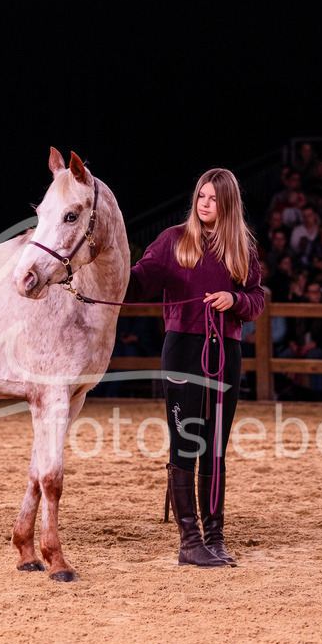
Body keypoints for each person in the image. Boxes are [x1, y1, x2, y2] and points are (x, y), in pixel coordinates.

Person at [125, 168, 264, 568]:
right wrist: (109, 269)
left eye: (214, 199)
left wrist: (234, 299)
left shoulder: (242, 250)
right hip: (183, 350)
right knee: (187, 441)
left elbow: (256, 298)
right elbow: (138, 284)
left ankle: (215, 535)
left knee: (215, 447)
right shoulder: (172, 241)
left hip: (226, 350)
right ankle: (190, 540)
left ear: (227, 205)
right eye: (201, 197)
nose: (205, 204)